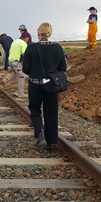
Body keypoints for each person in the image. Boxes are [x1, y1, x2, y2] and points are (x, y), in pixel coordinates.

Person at [22, 22, 67, 152]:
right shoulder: (57, 47)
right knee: (51, 111)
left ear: (38, 33)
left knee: (35, 109)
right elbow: (62, 67)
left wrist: (36, 73)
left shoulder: (31, 48)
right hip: (52, 84)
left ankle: (40, 134)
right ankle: (50, 142)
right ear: (50, 33)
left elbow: (26, 68)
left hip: (35, 84)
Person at [6, 33, 30, 98]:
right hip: (15, 62)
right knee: (21, 76)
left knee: (15, 73)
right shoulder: (23, 43)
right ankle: (20, 93)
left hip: (10, 61)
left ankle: (6, 79)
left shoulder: (15, 41)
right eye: (28, 38)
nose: (29, 40)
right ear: (26, 37)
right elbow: (25, 53)